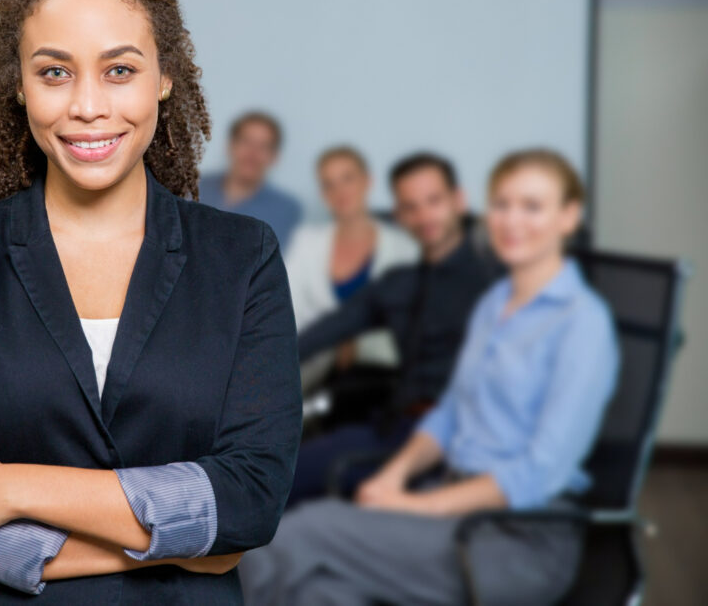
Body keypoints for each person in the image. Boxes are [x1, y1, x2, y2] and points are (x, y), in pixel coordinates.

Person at [0, 0, 302, 605]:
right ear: (18, 85)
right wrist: (192, 540)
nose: (87, 106)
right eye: (54, 72)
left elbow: (251, 501)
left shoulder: (243, 257)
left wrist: (6, 488)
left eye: (119, 70)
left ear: (164, 77)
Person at [240, 148, 619, 606]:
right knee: (319, 592)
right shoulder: (496, 303)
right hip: (450, 500)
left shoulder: (582, 322)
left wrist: (412, 506)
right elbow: (450, 414)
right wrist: (393, 480)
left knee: (302, 536)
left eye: (533, 206)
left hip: (517, 537)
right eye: (502, 204)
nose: (512, 220)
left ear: (569, 216)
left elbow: (536, 474)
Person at [287, 152, 498, 507]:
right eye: (411, 206)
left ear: (458, 201)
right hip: (392, 427)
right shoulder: (398, 284)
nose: (424, 216)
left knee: (283, 487)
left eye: (434, 201)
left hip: (454, 444)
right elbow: (317, 336)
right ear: (399, 215)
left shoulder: (494, 284)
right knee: (274, 475)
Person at [284, 145, 417, 391]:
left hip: (380, 375)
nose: (339, 191)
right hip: (308, 368)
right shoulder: (306, 242)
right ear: (322, 194)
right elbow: (285, 310)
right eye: (328, 184)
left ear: (368, 181)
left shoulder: (404, 249)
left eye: (347, 178)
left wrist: (354, 342)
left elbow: (408, 329)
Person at [198, 111, 302, 250]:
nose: (252, 153)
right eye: (246, 142)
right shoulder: (192, 187)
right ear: (230, 146)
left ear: (275, 157)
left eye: (263, 146)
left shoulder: (285, 210)